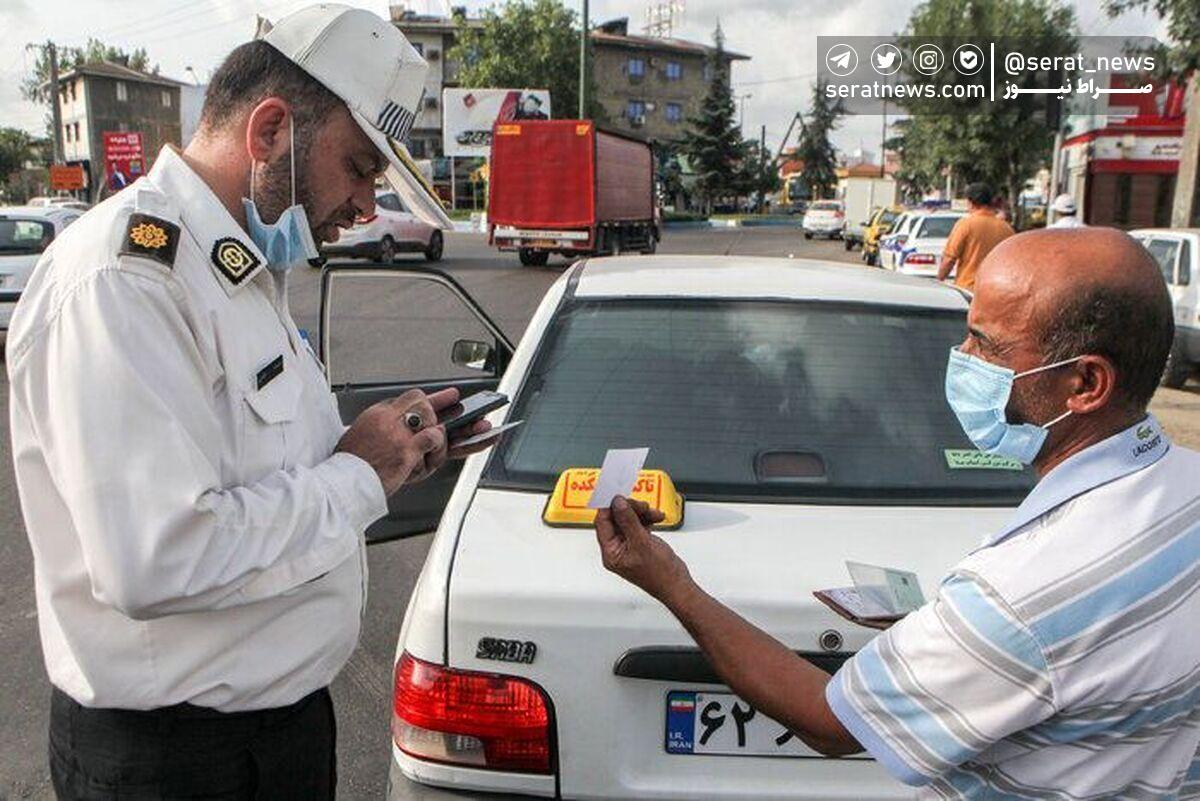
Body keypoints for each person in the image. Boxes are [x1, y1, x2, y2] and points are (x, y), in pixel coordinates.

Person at [6, 6, 485, 798]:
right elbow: (158, 557)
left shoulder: (239, 269)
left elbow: (263, 472)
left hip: (278, 736)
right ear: (269, 132)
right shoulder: (125, 279)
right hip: (175, 761)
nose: (367, 207)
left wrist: (387, 452)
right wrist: (356, 473)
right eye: (360, 167)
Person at [595, 228, 1199, 799]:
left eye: (984, 345)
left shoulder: (1021, 596)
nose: (961, 357)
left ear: (1086, 384)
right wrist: (948, 633)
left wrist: (670, 583)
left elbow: (830, 723)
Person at [938, 182, 1015, 291]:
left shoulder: (965, 225)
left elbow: (949, 259)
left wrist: (939, 281)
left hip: (969, 290)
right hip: (997, 291)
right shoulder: (1007, 229)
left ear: (970, 202)